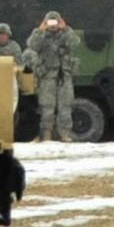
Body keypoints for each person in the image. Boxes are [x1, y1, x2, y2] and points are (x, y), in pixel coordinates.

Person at [26, 12, 80, 143]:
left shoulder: (66, 33)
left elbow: (75, 43)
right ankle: (46, 134)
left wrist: (65, 28)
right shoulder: (40, 34)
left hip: (64, 75)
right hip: (47, 76)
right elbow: (32, 45)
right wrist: (40, 30)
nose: (53, 25)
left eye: (55, 22)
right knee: (47, 107)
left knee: (65, 106)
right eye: (50, 22)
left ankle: (65, 134)